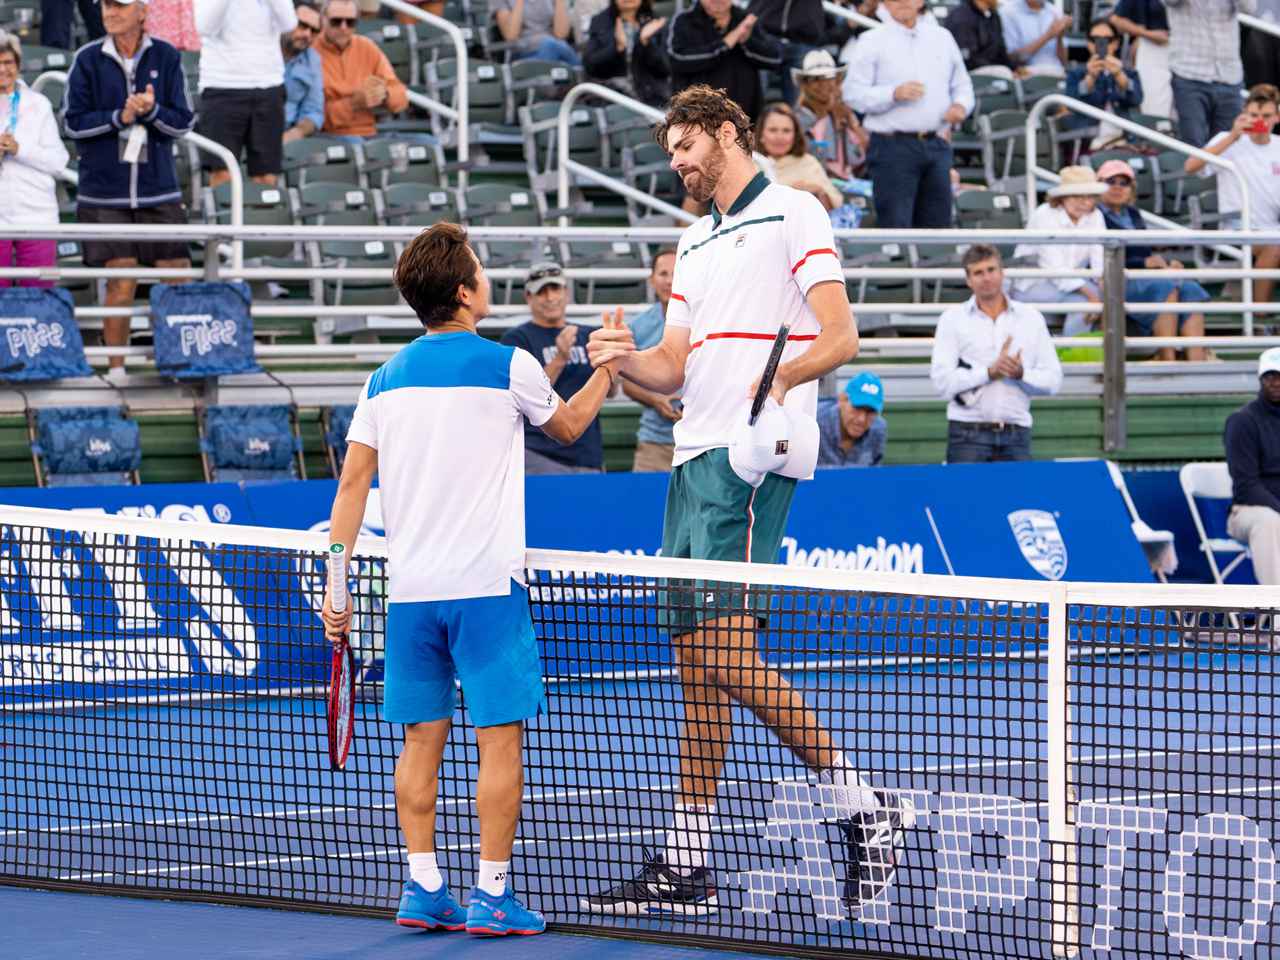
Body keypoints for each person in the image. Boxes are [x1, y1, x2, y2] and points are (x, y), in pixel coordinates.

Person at [582, 84, 911, 921]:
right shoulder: (692, 242)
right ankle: (687, 862)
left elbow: (841, 337)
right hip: (690, 462)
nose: (679, 164)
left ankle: (864, 805)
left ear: (727, 132)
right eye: (670, 154)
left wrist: (782, 383)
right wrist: (621, 359)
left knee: (724, 658)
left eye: (687, 147)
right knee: (696, 667)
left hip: (750, 464)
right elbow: (675, 366)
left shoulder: (796, 212)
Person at [321, 223, 623, 938]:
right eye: (482, 272)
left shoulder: (381, 380)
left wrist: (338, 593)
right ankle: (491, 892)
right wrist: (608, 366)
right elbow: (573, 427)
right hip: (486, 591)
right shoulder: (509, 363)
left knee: (420, 741)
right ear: (464, 292)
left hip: (412, 595)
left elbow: (350, 490)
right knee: (499, 740)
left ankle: (424, 886)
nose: (487, 279)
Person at [64, 0, 195, 378]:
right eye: (106, 5)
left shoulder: (167, 56)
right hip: (104, 194)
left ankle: (179, 362)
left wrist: (151, 112)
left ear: (142, 12)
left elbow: (183, 122)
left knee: (178, 272)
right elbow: (72, 123)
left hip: (159, 192)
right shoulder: (86, 59)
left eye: (120, 6)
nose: (110, 12)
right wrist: (117, 118)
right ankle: (116, 370)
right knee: (120, 277)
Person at [844, 0, 973, 229]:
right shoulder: (870, 41)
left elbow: (963, 86)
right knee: (896, 225)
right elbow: (853, 95)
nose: (902, 2)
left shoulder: (942, 38)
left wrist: (960, 106)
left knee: (939, 227)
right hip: (892, 147)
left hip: (937, 143)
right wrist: (892, 94)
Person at [931, 244, 1063, 463]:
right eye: (978, 272)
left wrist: (1020, 373)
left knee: (1018, 499)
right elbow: (941, 382)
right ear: (968, 280)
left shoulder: (1031, 318)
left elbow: (1053, 380)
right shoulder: (952, 319)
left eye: (991, 270)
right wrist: (988, 372)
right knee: (963, 499)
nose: (986, 278)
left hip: (1016, 430)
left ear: (1003, 273)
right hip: (966, 432)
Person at [501, 262, 609, 474]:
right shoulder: (517, 339)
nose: (551, 298)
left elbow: (612, 392)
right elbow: (523, 396)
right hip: (539, 453)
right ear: (528, 297)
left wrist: (610, 363)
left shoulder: (588, 334)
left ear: (566, 292)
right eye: (542, 292)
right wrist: (560, 358)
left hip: (588, 453)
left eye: (555, 289)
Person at [1097, 158, 1209, 361]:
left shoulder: (1132, 213)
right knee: (1164, 286)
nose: (1117, 187)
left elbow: (1142, 253)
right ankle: (1168, 360)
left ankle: (1197, 361)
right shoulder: (1095, 216)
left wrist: (1164, 264)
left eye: (1124, 183)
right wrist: (1144, 264)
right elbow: (1099, 258)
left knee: (1190, 288)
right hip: (1114, 278)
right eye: (1110, 181)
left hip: (1140, 276)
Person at [1184, 84, 1280, 314]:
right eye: (1254, 115)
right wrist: (1234, 136)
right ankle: (1259, 317)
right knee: (1275, 247)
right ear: (1244, 114)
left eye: (1266, 116)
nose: (1260, 121)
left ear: (1277, 116)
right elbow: (1190, 166)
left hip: (1272, 228)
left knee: (1275, 243)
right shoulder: (1227, 139)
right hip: (1238, 229)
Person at [195, 0, 297, 188]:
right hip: (222, 86)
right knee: (222, 172)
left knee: (266, 175)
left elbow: (288, 23)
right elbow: (205, 26)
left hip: (268, 86)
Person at [0, 31, 70, 289]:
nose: (3, 69)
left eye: (8, 62)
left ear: (18, 64)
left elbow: (59, 161)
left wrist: (20, 149)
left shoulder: (38, 104)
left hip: (36, 216)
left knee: (39, 298)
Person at [1012, 166, 1106, 336]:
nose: (1085, 203)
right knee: (1084, 304)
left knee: (1112, 295)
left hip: (1070, 281)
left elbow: (1099, 258)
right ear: (1063, 197)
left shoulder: (1095, 215)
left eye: (1089, 197)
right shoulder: (1044, 215)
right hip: (1034, 283)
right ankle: (1071, 355)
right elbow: (1054, 268)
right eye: (1077, 196)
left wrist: (1104, 288)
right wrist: (1093, 296)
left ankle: (1099, 353)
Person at [666, 0, 782, 126]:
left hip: (743, 117)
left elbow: (774, 59)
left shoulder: (744, 18)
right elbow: (676, 59)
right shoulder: (684, 20)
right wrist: (725, 44)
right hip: (696, 117)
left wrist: (747, 41)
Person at [1164, 0, 1256, 148]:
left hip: (1229, 76)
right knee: (1193, 146)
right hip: (1190, 75)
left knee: (1228, 146)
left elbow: (1249, 8)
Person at [1224, 346, 1280, 585]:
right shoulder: (1242, 421)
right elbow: (1246, 485)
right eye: (1271, 376)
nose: (1276, 382)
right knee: (1269, 521)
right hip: (1249, 511)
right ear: (1261, 379)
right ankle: (1277, 612)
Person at [315, 0, 408, 142]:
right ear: (323, 21)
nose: (343, 28)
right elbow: (312, 117)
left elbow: (400, 94)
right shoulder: (311, 52)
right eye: (336, 22)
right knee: (357, 143)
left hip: (370, 133)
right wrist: (352, 103)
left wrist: (384, 94)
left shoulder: (366, 46)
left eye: (350, 22)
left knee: (430, 143)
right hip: (328, 135)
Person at [624, 248, 681, 473]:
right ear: (652, 280)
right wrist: (655, 399)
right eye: (663, 274)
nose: (669, 281)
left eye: (676, 274)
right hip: (655, 442)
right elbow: (627, 384)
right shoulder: (638, 326)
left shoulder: (709, 321)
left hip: (704, 438)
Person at [1064, 18, 1143, 148]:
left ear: (1116, 43)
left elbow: (1136, 100)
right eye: (1095, 40)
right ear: (1088, 43)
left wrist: (1119, 75)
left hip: (1124, 138)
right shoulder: (1076, 73)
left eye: (1108, 40)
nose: (1101, 44)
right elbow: (1071, 105)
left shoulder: (1128, 72)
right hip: (1089, 139)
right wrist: (1090, 78)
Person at [793, 50, 867, 181]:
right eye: (815, 79)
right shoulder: (798, 118)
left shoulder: (845, 113)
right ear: (805, 84)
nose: (823, 84)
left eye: (828, 77)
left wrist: (850, 122)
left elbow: (862, 151)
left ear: (837, 81)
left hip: (848, 182)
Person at [755, 102, 842, 210]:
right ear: (761, 134)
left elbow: (832, 203)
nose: (780, 137)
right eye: (773, 130)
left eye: (786, 131)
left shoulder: (808, 162)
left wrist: (817, 192)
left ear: (795, 135)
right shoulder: (750, 164)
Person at [583, 0, 670, 107]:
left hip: (652, 96)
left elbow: (665, 69)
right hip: (613, 96)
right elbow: (590, 65)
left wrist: (646, 43)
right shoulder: (600, 21)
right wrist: (617, 48)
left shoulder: (656, 22)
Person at [747, 0, 826, 104]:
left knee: (799, 102)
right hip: (764, 35)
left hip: (801, 39)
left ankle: (795, 119)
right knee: (754, 93)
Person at [1110, 0, 1172, 117]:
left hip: (1189, 52)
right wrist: (1147, 34)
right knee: (1154, 108)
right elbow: (1116, 19)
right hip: (1154, 51)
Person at [816, 371, 887, 467]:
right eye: (857, 408)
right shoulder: (815, 421)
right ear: (842, 400)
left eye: (870, 412)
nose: (861, 419)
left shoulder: (878, 429)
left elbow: (874, 473)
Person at [282, 1, 325, 144]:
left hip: (288, 134)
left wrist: (296, 133)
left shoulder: (312, 60)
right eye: (302, 25)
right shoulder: (261, 48)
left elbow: (314, 111)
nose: (307, 34)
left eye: (314, 31)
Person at [494, 0, 582, 67]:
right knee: (551, 45)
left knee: (553, 46)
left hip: (555, 47)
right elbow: (511, 35)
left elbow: (561, 34)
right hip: (523, 52)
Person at [944, 0, 1018, 78]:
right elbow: (967, 59)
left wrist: (1015, 68)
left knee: (1029, 73)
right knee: (1004, 72)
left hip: (991, 68)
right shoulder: (961, 17)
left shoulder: (993, 15)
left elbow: (1001, 50)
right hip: (966, 73)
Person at [999, 0, 1070, 77]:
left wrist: (1059, 37)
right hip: (1027, 75)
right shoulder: (1008, 12)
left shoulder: (1055, 12)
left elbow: (1064, 62)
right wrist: (1048, 36)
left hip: (1057, 74)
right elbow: (1012, 58)